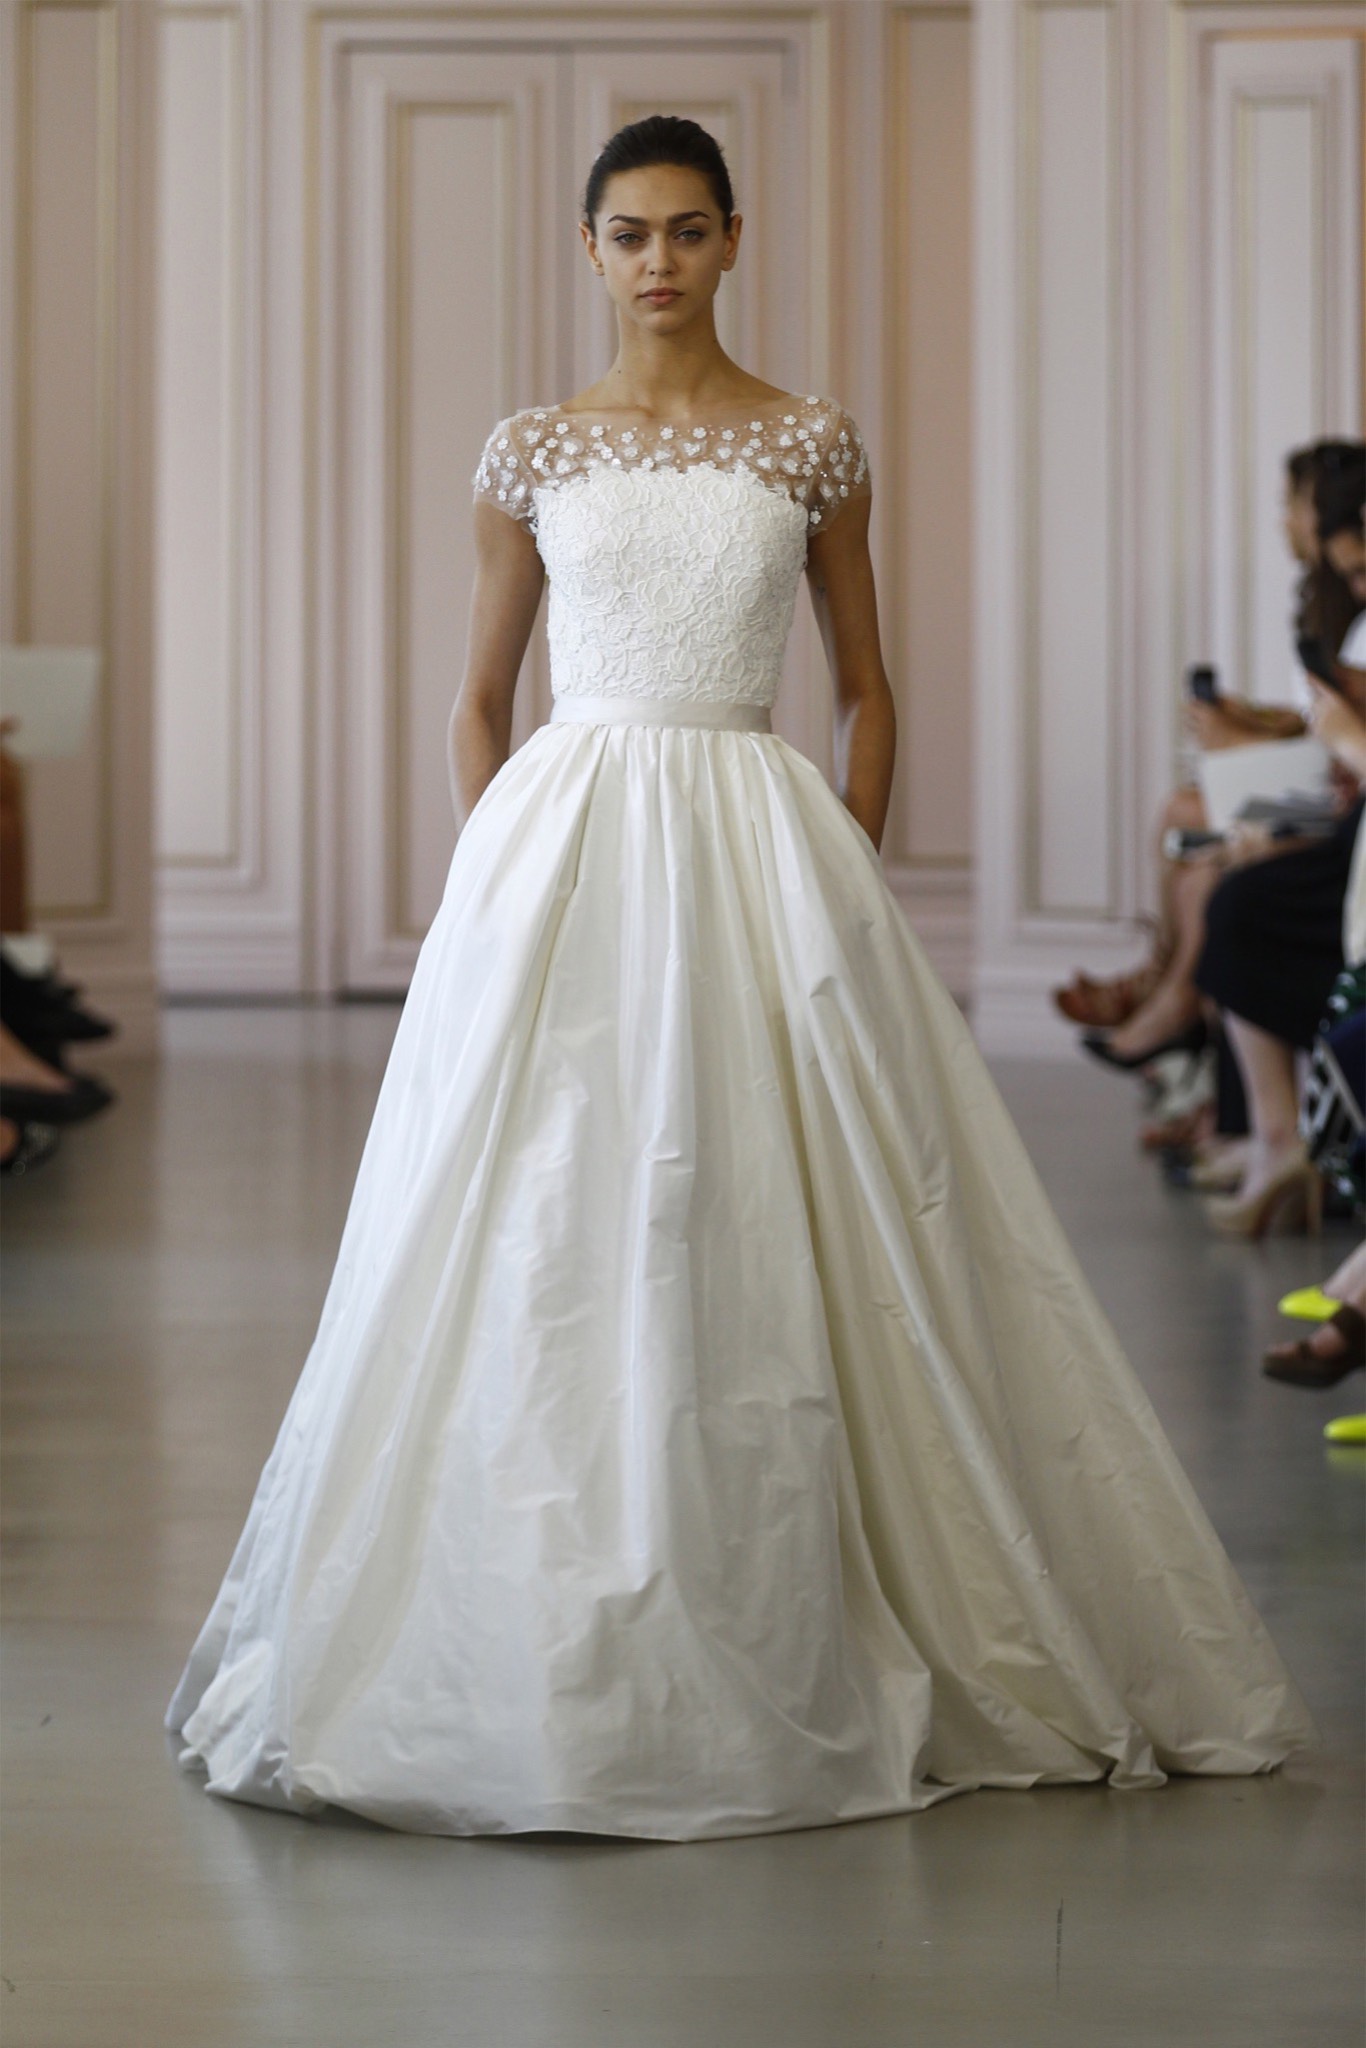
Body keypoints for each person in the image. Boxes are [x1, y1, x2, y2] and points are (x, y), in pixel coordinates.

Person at [164, 116, 1315, 1841]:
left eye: (687, 230)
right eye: (628, 233)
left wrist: (847, 863)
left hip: (757, 836)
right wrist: (495, 874)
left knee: (769, 1199)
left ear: (731, 239)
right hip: (566, 844)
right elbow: (480, 696)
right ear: (588, 247)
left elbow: (867, 683)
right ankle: (557, 1617)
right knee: (554, 1207)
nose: (658, 261)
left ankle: (784, 1586)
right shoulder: (530, 451)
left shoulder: (810, 443)